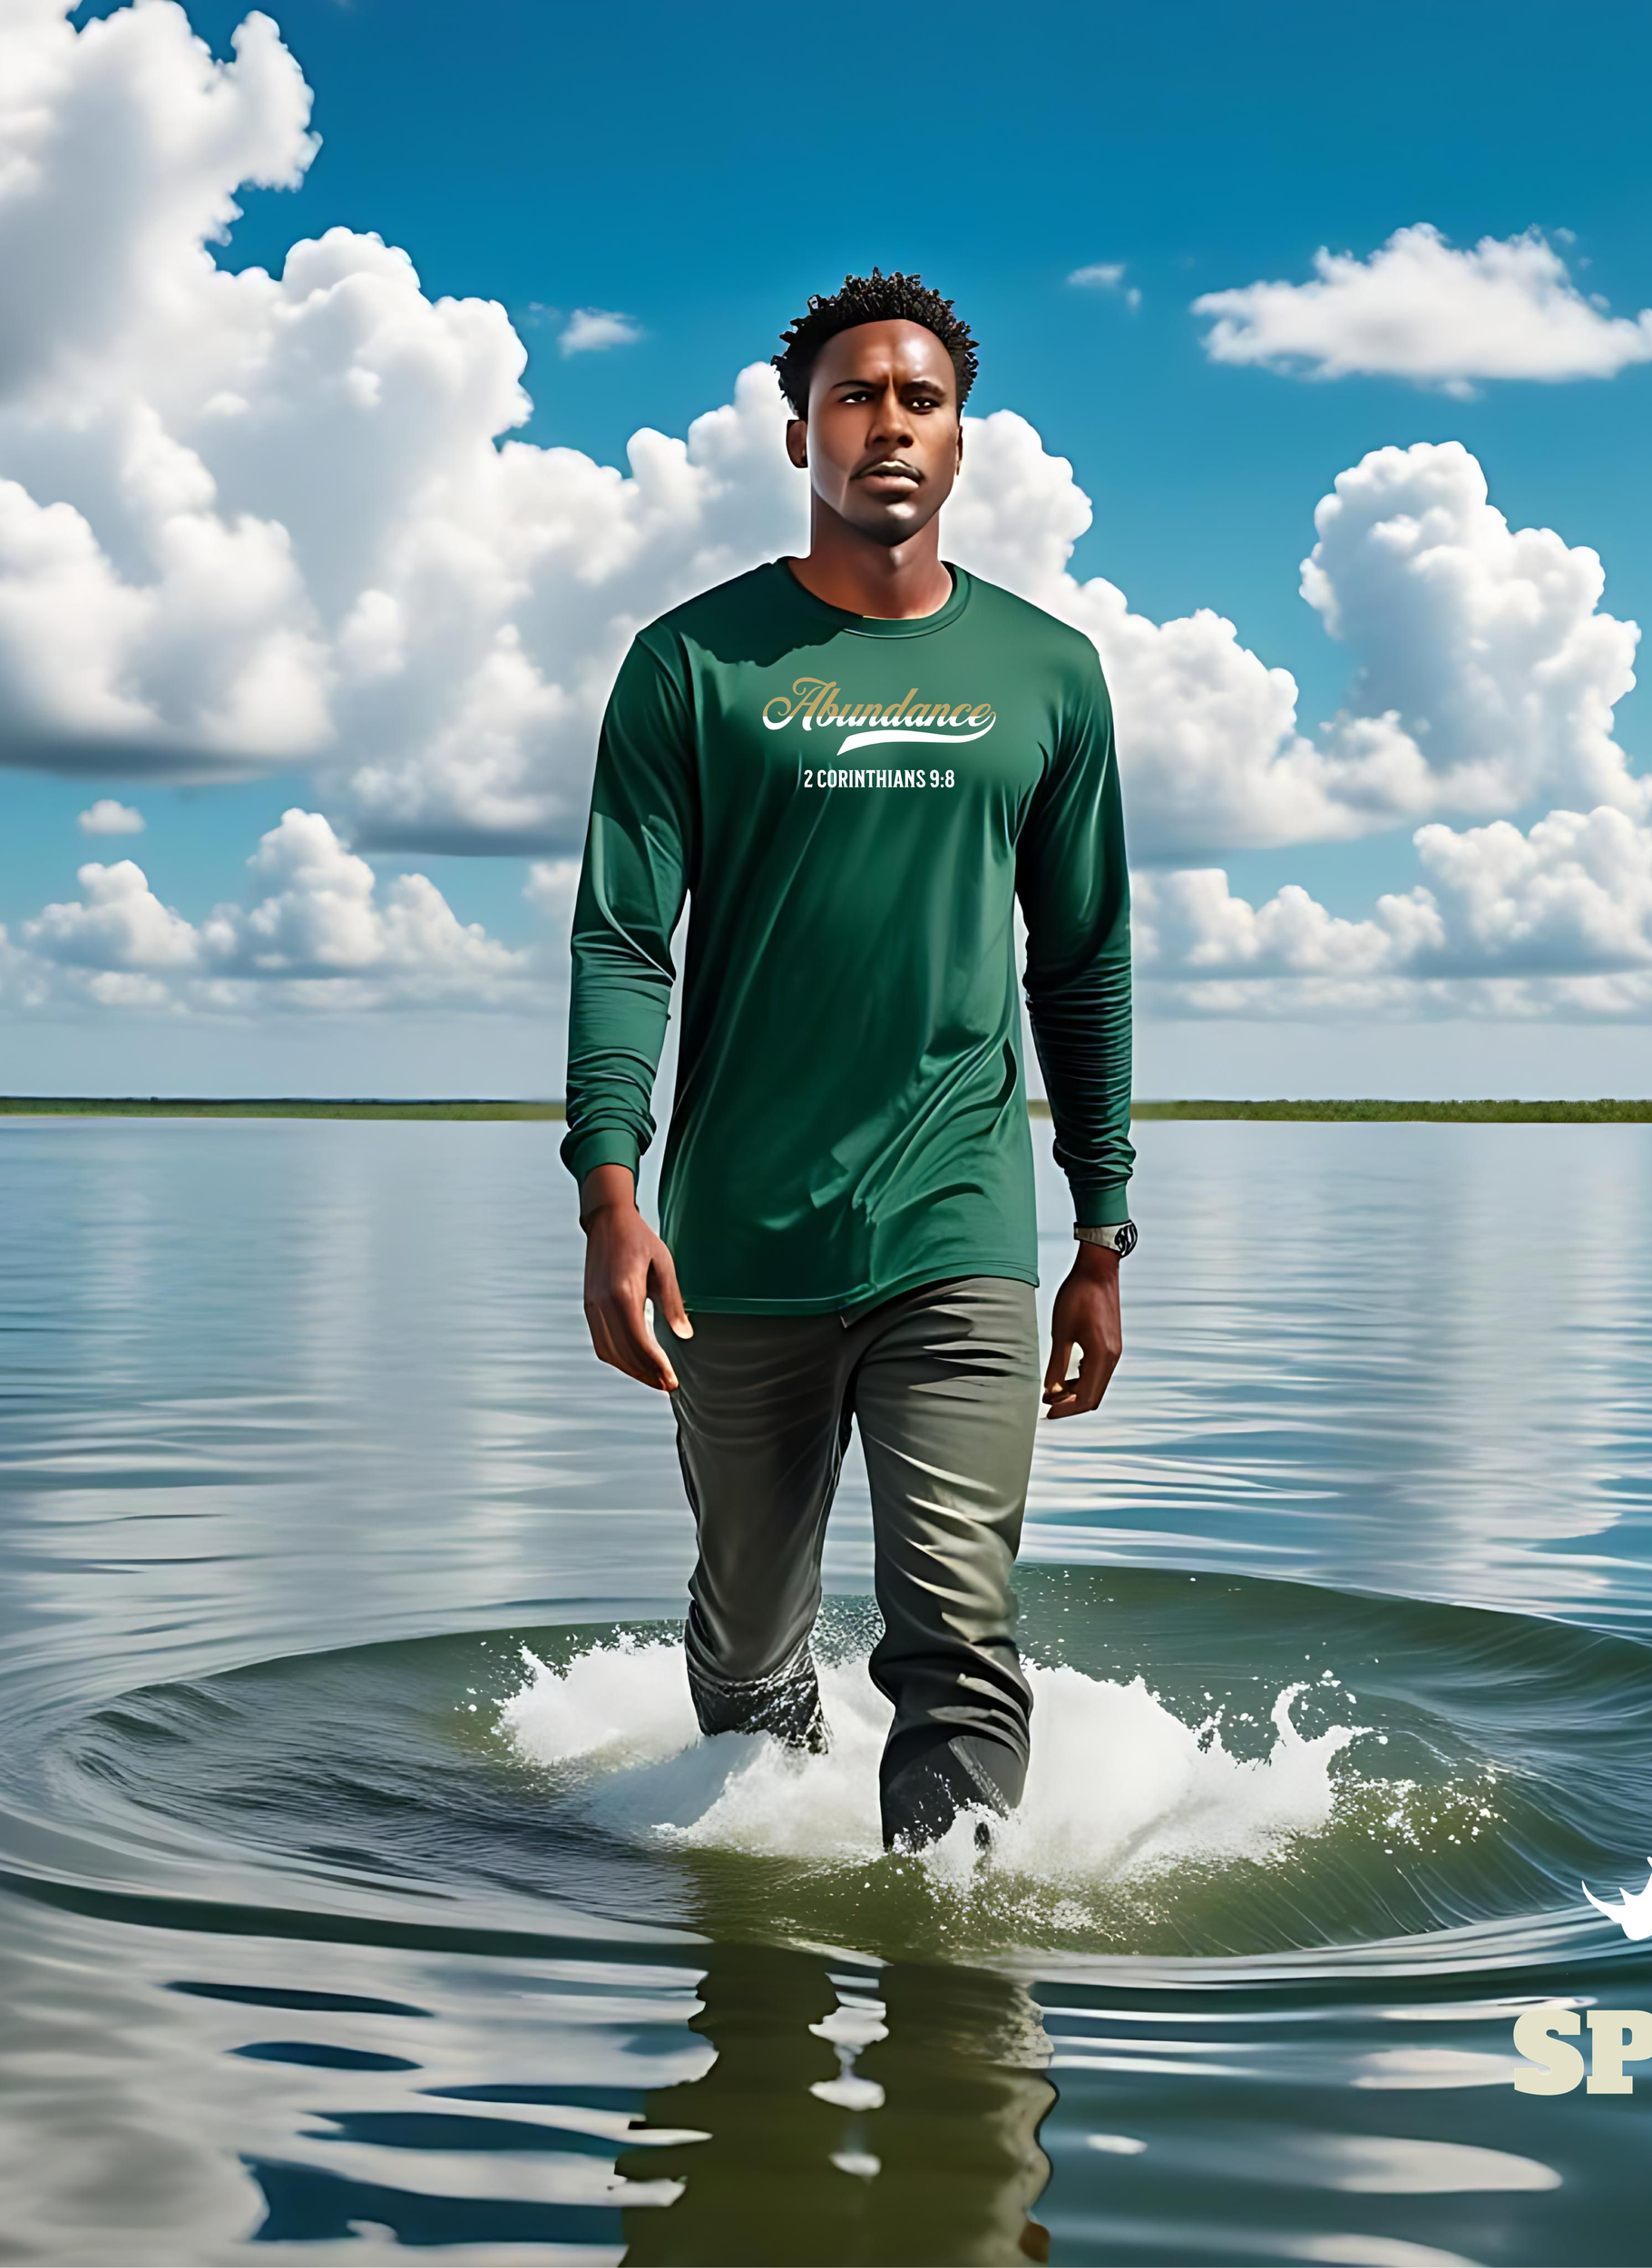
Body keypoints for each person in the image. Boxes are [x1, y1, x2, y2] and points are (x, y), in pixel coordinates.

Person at [562, 269, 1136, 1851]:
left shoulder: (1047, 673)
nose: (889, 424)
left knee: (957, 1626)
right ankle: (763, 1911)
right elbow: (622, 939)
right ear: (799, 432)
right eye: (856, 397)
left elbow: (1083, 959)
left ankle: (953, 1947)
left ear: (960, 438)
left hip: (959, 1220)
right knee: (749, 1639)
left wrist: (1100, 1232)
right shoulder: (693, 664)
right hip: (739, 1236)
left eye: (920, 400)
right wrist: (611, 1198)